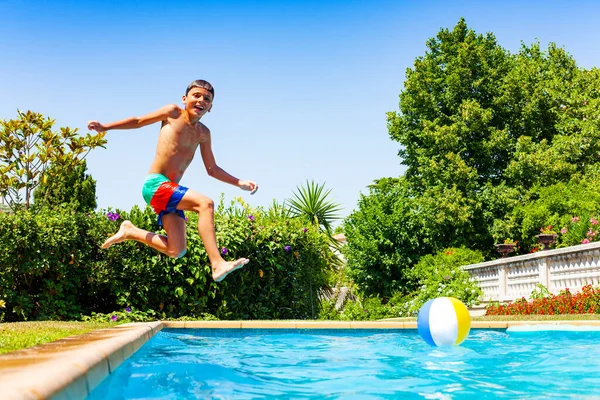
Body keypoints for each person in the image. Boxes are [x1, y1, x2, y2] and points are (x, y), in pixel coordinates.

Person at [87, 79, 258, 282]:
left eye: (207, 99)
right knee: (206, 204)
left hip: (170, 193)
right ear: (185, 99)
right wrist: (106, 126)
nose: (201, 100)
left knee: (177, 250)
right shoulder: (172, 113)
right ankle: (217, 263)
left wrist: (238, 182)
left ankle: (130, 231)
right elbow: (139, 120)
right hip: (155, 184)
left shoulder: (203, 134)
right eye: (196, 95)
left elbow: (212, 169)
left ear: (210, 107)